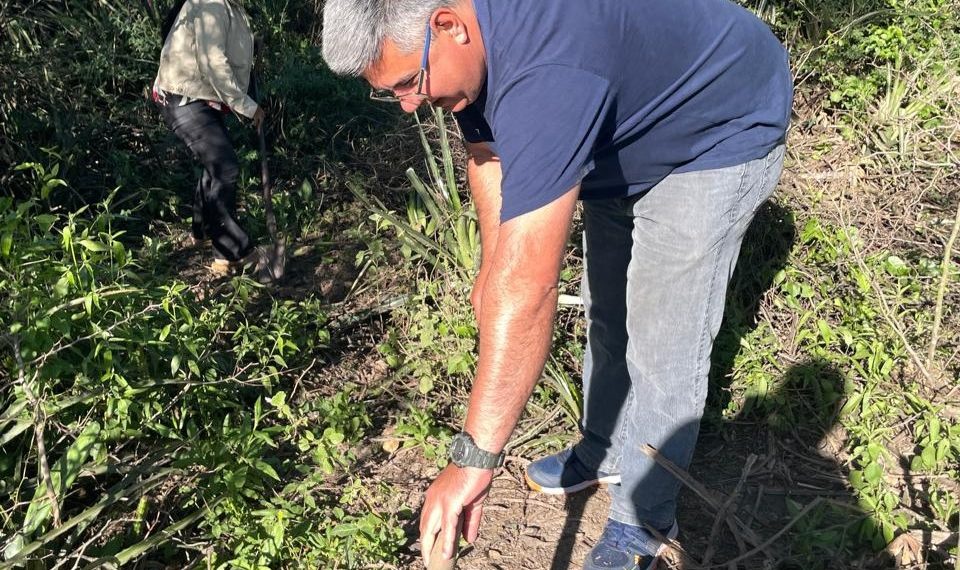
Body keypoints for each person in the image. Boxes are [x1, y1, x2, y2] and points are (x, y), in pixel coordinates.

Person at [322, 0, 792, 568]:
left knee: (662, 334)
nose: (408, 104)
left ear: (448, 25)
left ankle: (642, 522)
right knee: (606, 308)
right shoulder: (471, 48)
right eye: (389, 91)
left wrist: (474, 458)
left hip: (714, 131)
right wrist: (491, 279)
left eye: (408, 82)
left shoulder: (550, 71)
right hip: (622, 129)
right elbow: (488, 153)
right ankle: (603, 450)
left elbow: (531, 290)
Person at [154, 0, 276, 281]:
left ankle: (203, 232)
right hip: (183, 96)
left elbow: (223, 47)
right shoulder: (213, 3)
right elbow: (214, 62)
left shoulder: (231, 7)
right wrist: (247, 106)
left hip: (198, 96)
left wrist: (251, 46)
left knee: (215, 165)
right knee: (224, 167)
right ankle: (231, 253)